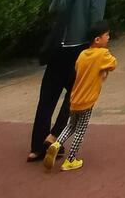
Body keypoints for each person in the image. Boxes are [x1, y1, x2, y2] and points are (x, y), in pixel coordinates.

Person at [29, 0, 110, 164]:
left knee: (48, 96)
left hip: (58, 45)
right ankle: (55, 136)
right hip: (80, 45)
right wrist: (99, 40)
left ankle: (36, 147)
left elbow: (54, 7)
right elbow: (97, 10)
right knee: (76, 95)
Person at [47, 21, 116, 172]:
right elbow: (113, 63)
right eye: (106, 35)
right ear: (97, 40)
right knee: (80, 130)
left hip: (75, 98)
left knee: (70, 125)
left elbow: (78, 68)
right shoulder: (102, 54)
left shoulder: (83, 54)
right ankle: (70, 160)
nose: (108, 38)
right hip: (88, 101)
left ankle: (56, 144)